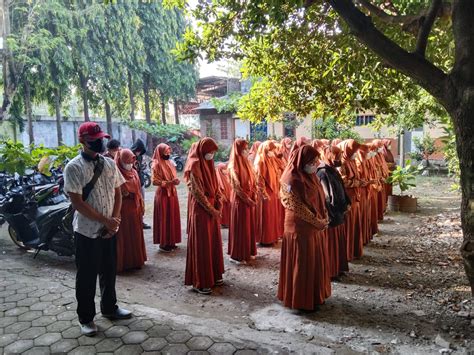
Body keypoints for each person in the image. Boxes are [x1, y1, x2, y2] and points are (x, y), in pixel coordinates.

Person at [63, 122, 131, 337]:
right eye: (94, 138)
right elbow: (78, 203)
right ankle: (86, 318)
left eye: (101, 137)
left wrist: (115, 220)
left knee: (109, 271)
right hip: (86, 231)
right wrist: (105, 220)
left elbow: (119, 192)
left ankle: (110, 308)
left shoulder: (109, 164)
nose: (100, 142)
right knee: (86, 276)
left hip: (110, 229)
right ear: (82, 140)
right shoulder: (73, 167)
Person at [278, 145, 330, 311]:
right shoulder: (291, 178)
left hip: (315, 226)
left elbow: (320, 198)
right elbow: (297, 206)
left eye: (316, 161)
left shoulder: (311, 176)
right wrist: (317, 222)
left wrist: (324, 217)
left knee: (313, 261)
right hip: (299, 228)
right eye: (312, 162)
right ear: (303, 161)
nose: (316, 164)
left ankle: (314, 296)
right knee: (302, 263)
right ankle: (300, 300)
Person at [184, 137, 225, 295]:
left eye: (214, 152)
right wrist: (211, 209)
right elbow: (197, 192)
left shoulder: (210, 164)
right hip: (201, 210)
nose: (212, 155)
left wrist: (219, 201)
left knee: (213, 242)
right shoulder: (194, 165)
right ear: (202, 151)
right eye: (210, 152)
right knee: (202, 245)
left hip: (212, 208)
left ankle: (214, 275)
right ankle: (200, 281)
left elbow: (216, 186)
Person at [317, 144, 351, 278]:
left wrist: (347, 203)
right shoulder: (323, 172)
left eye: (339, 155)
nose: (338, 158)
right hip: (332, 213)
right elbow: (328, 197)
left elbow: (341, 188)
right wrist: (339, 208)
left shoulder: (332, 170)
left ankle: (338, 268)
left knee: (338, 242)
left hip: (339, 212)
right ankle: (331, 271)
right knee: (331, 244)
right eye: (336, 155)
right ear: (328, 154)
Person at [115, 149, 147, 272]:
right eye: (126, 161)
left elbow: (138, 190)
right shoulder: (116, 174)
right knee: (124, 237)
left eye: (131, 161)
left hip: (135, 208)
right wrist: (125, 194)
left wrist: (141, 205)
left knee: (135, 235)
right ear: (120, 160)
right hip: (122, 209)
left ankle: (136, 260)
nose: (129, 164)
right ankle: (124, 263)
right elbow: (117, 193)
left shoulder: (133, 172)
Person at [227, 139, 258, 264]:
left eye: (247, 148)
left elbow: (253, 179)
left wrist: (254, 195)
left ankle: (247, 251)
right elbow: (236, 187)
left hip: (248, 199)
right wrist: (247, 199)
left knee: (248, 226)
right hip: (240, 200)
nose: (246, 151)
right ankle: (237, 255)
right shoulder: (233, 166)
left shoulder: (247, 163)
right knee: (240, 227)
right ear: (238, 150)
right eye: (244, 149)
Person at [152, 143, 181, 252]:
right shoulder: (156, 164)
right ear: (160, 152)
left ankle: (171, 241)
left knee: (172, 217)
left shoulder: (170, 162)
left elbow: (173, 177)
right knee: (164, 218)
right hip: (163, 195)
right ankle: (164, 243)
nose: (168, 153)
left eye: (169, 151)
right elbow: (154, 181)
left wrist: (175, 181)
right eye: (166, 152)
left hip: (172, 193)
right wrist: (169, 183)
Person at [337, 139, 363, 261]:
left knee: (354, 223)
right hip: (347, 197)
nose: (356, 153)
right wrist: (358, 183)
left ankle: (353, 250)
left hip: (355, 195)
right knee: (348, 224)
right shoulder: (341, 162)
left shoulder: (351, 160)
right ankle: (346, 253)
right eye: (354, 150)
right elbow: (343, 181)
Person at [254, 141, 281, 246]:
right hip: (265, 193)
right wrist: (264, 194)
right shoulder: (260, 161)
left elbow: (276, 175)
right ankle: (265, 239)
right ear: (266, 150)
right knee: (266, 216)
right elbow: (259, 179)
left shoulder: (271, 160)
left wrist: (278, 189)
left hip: (273, 191)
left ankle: (273, 237)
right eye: (271, 150)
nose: (273, 152)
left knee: (273, 215)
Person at [131, 138, 151, 230]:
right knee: (134, 204)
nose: (138, 152)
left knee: (141, 203)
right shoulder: (130, 156)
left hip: (141, 182)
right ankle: (135, 222)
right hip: (133, 184)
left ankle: (141, 221)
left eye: (140, 151)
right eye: (137, 150)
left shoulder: (140, 156)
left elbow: (139, 168)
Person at [215, 163, 232, 228]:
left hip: (229, 196)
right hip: (223, 197)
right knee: (223, 210)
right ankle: (223, 223)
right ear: (220, 170)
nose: (226, 170)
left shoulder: (227, 175)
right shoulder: (218, 178)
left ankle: (228, 222)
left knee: (228, 209)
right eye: (224, 169)